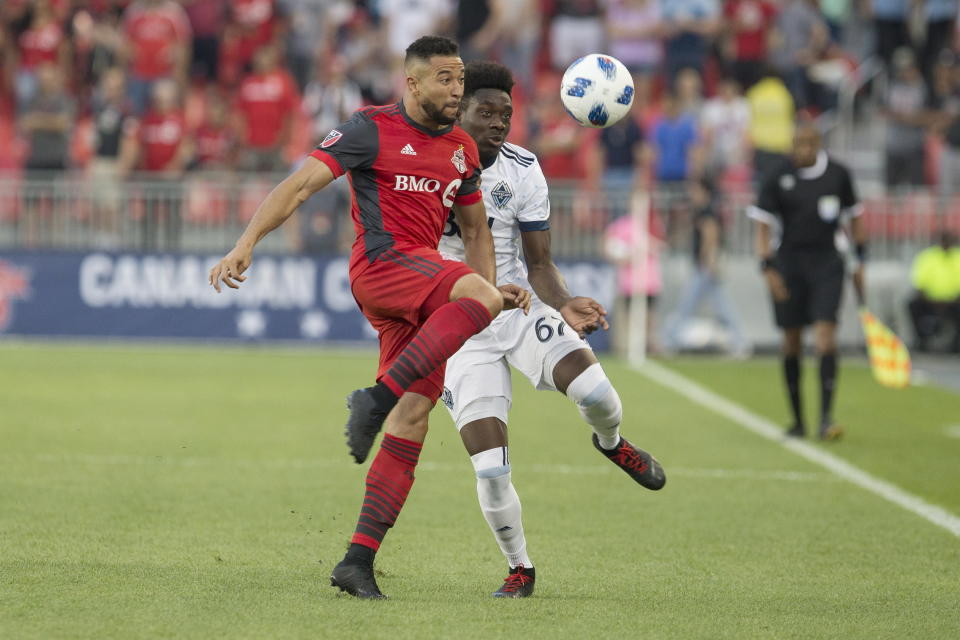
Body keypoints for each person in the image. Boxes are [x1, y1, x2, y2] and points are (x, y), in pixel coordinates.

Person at [207, 36, 529, 600]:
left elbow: (476, 229)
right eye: (446, 80)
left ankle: (357, 561)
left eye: (460, 81)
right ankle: (373, 399)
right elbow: (301, 185)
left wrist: (484, 291)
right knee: (474, 307)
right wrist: (246, 242)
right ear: (413, 82)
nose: (457, 91)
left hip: (424, 285)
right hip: (381, 266)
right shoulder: (369, 127)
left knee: (413, 419)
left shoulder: (461, 148)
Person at [436, 61, 666, 598]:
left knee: (598, 394)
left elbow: (539, 262)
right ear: (460, 111)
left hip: (517, 307)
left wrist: (563, 303)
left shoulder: (523, 168)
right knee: (490, 469)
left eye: (506, 115)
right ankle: (520, 568)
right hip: (457, 326)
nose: (498, 123)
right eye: (485, 112)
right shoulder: (428, 163)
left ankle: (610, 443)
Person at [747, 122, 867, 441]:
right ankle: (798, 420)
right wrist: (767, 269)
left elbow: (855, 219)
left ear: (818, 145)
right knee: (792, 342)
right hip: (788, 264)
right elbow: (762, 226)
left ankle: (827, 418)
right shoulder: (777, 174)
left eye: (807, 144)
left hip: (828, 263)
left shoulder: (838, 175)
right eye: (797, 144)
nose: (801, 151)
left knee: (826, 337)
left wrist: (860, 262)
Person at [662, 178, 750, 355]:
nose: (692, 194)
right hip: (705, 267)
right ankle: (740, 341)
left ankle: (669, 341)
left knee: (688, 304)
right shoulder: (702, 211)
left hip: (704, 267)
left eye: (695, 190)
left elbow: (711, 236)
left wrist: (708, 261)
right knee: (721, 305)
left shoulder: (707, 212)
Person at [907, 230, 960, 353]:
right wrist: (930, 298)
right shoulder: (928, 257)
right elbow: (919, 283)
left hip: (955, 301)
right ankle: (921, 339)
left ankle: (957, 344)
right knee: (912, 305)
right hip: (929, 300)